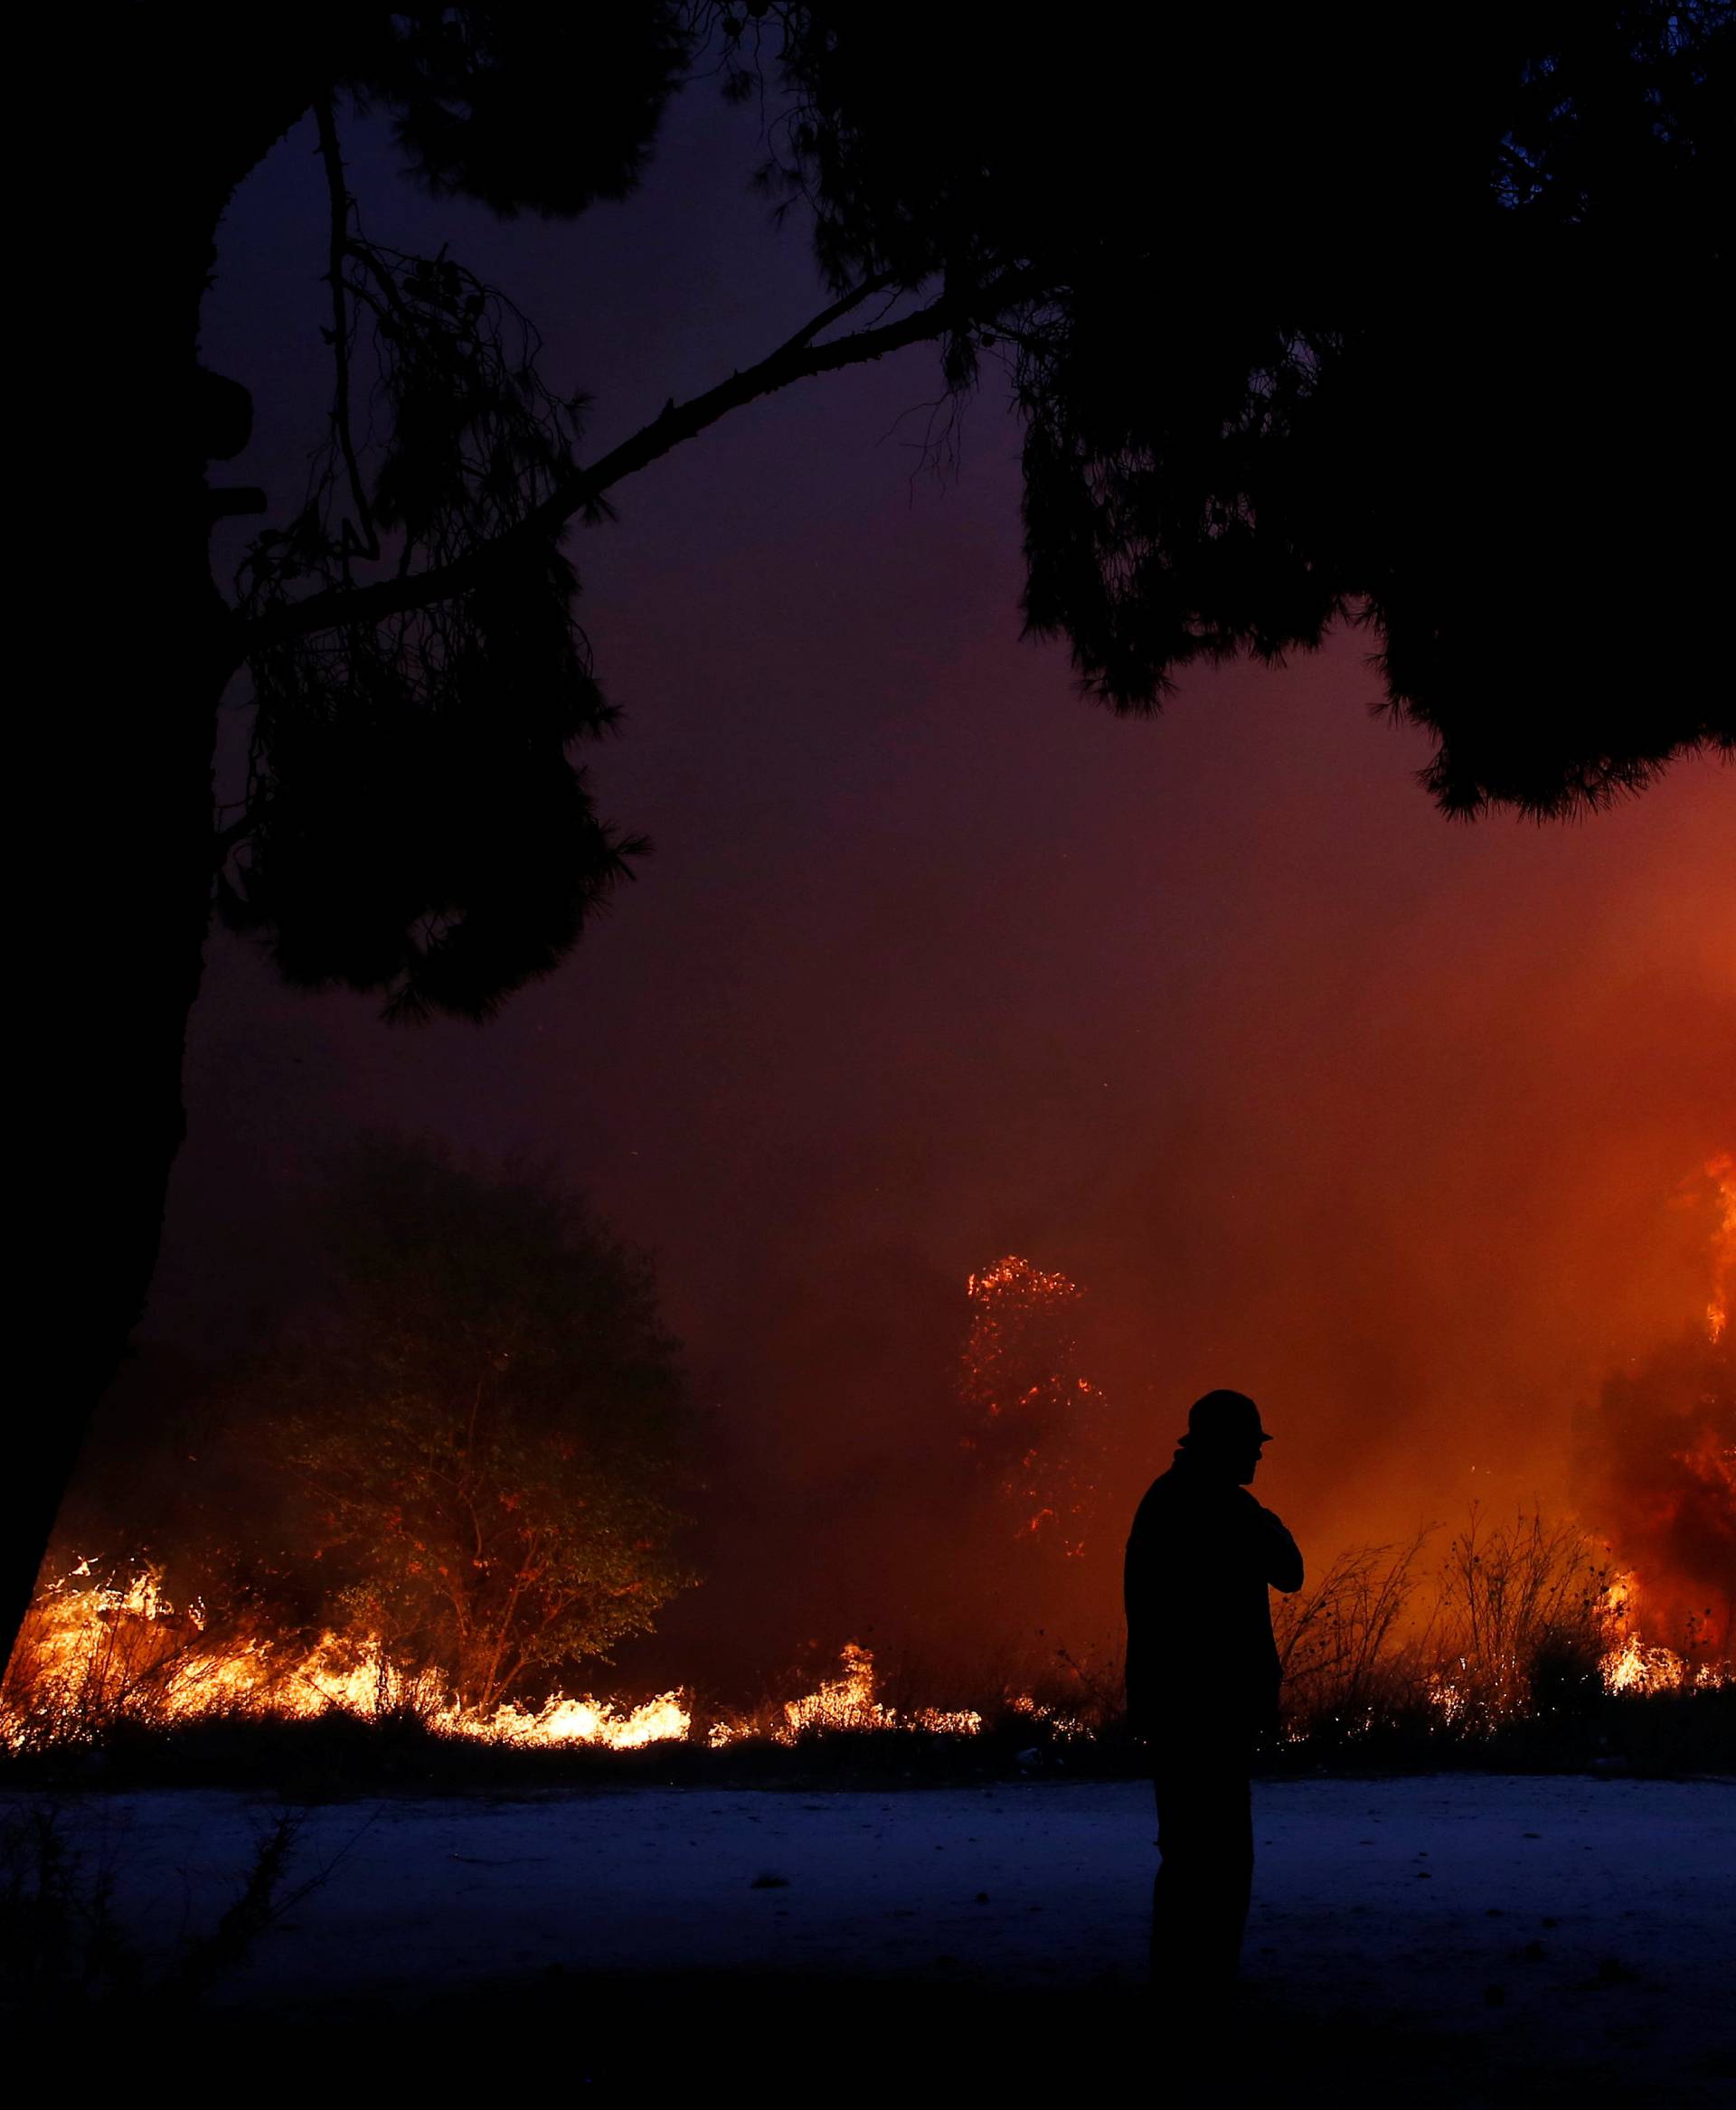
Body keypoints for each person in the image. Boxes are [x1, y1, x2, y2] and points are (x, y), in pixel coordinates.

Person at [1124, 1388, 1303, 1997]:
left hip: (1176, 1711)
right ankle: (1201, 1992)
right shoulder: (1225, 1510)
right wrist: (1263, 1516)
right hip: (1211, 1713)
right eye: (1251, 1446)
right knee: (1220, 1861)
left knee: (1189, 1857)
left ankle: (1181, 1987)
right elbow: (1291, 1571)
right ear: (1224, 1446)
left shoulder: (1163, 1502)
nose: (1258, 1457)